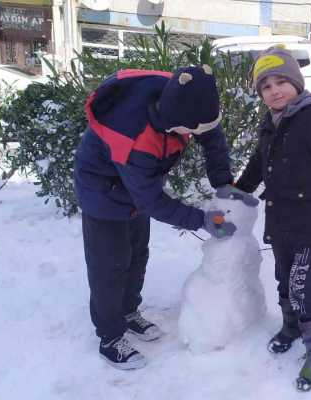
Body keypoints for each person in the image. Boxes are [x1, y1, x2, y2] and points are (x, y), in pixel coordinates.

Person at [74, 65, 254, 370]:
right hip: (102, 190)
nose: (197, 135)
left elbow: (211, 138)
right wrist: (203, 220)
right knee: (110, 264)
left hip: (135, 184)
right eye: (192, 131)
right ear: (175, 122)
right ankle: (109, 336)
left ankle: (129, 311)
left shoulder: (186, 98)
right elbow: (152, 201)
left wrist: (223, 183)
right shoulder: (134, 137)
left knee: (137, 254)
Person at [234, 46, 311, 391]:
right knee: (283, 278)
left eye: (281, 82)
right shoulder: (271, 123)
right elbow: (259, 163)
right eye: (266, 86)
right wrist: (240, 189)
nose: (274, 90)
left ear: (296, 82)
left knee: (301, 285)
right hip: (280, 219)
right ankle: (291, 326)